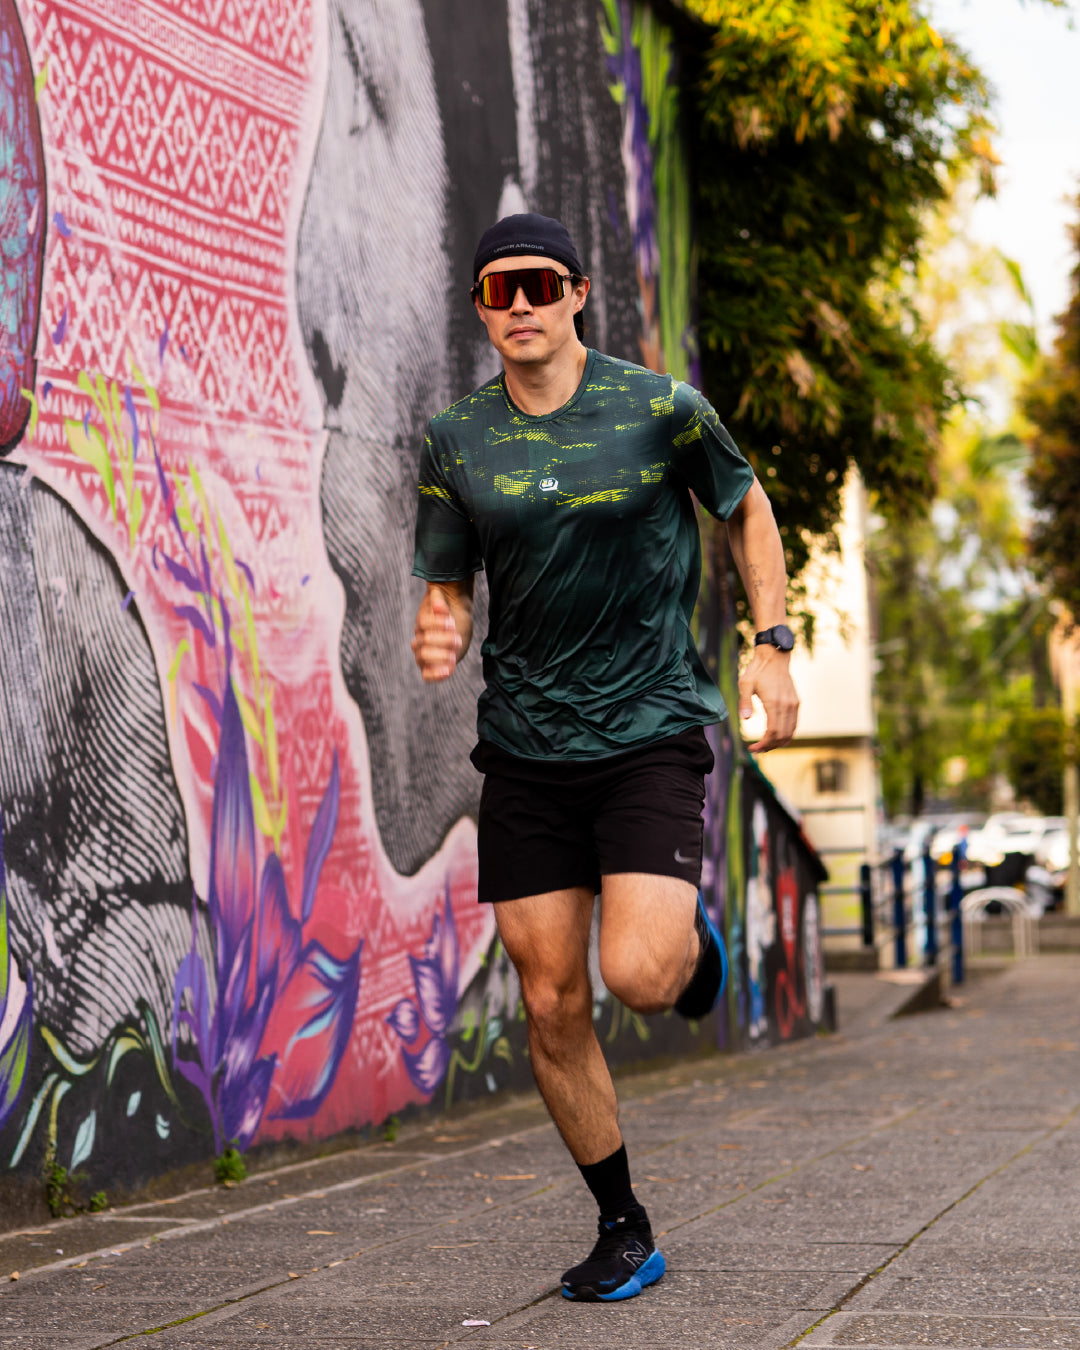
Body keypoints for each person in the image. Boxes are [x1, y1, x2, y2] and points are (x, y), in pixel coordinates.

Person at [410, 213, 799, 1302]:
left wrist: (771, 646)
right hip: (527, 751)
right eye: (499, 290)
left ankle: (689, 948)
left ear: (579, 293)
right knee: (550, 1004)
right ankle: (623, 1223)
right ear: (482, 308)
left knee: (639, 975)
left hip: (648, 732)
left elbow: (746, 506)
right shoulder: (455, 440)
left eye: (541, 284)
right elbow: (446, 583)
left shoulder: (661, 410)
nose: (521, 304)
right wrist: (438, 622)